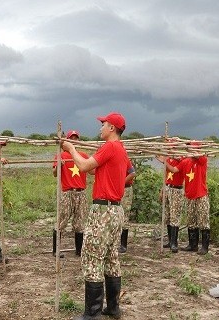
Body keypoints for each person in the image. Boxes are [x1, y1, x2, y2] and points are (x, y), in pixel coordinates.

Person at [62, 112, 129, 320]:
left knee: (91, 257)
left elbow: (82, 167)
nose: (100, 127)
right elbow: (92, 170)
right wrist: (81, 155)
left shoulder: (110, 146)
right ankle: (113, 308)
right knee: (111, 258)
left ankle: (92, 313)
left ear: (111, 128)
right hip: (116, 210)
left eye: (103, 124)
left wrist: (71, 149)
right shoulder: (120, 150)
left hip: (103, 210)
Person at [52, 130, 90, 257]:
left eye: (76, 138)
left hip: (81, 193)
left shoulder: (83, 155)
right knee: (62, 220)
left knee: (80, 222)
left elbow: (92, 170)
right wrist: (58, 166)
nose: (74, 140)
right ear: (67, 141)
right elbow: (54, 174)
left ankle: (79, 251)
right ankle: (55, 251)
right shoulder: (61, 155)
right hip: (67, 192)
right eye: (71, 138)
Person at [180, 143, 210, 255]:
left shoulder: (202, 160)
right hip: (189, 196)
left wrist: (192, 150)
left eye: (193, 148)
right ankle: (193, 245)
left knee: (203, 221)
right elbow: (176, 168)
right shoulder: (186, 161)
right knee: (191, 221)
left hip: (201, 195)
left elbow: (198, 156)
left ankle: (205, 247)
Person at [156, 155, 189, 253]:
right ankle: (170, 241)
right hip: (168, 187)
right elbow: (166, 176)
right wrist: (162, 190)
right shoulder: (169, 157)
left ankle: (174, 243)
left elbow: (174, 170)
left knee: (175, 216)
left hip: (176, 189)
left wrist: (164, 162)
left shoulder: (182, 158)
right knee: (168, 215)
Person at [118, 158, 136, 253]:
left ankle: (123, 244)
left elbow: (132, 173)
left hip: (126, 189)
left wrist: (121, 182)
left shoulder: (125, 160)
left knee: (124, 215)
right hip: (116, 189)